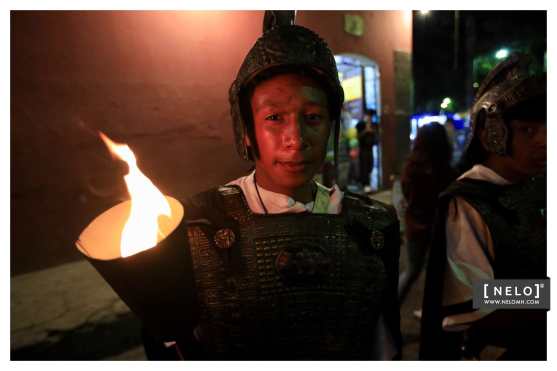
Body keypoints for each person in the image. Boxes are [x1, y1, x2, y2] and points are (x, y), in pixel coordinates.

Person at [142, 11, 402, 360]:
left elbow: (382, 349)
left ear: (331, 126)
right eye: (274, 118)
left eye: (312, 118)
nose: (295, 139)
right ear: (247, 130)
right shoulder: (200, 228)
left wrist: (500, 293)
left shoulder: (371, 227)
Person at [420, 53, 547, 360]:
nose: (545, 140)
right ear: (493, 133)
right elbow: (476, 296)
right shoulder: (468, 201)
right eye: (528, 130)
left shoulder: (537, 187)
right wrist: (545, 295)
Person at [398, 123, 456, 305]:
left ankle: (389, 309)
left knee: (412, 270)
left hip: (415, 224)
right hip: (438, 227)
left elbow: (406, 194)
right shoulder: (443, 171)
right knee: (437, 273)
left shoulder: (411, 167)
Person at [356, 109, 378, 192]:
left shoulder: (373, 126)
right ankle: (365, 185)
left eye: (371, 116)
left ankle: (367, 185)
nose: (369, 118)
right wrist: (366, 131)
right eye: (368, 116)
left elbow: (376, 140)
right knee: (364, 167)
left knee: (370, 167)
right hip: (363, 150)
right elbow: (358, 137)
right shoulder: (360, 125)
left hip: (370, 150)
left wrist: (372, 132)